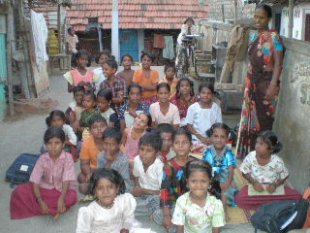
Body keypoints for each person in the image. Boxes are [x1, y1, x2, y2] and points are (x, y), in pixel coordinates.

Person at [237, 4, 284, 159]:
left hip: (266, 84)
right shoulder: (253, 36)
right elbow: (250, 63)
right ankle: (252, 156)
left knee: (264, 122)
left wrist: (272, 85)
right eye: (256, 17)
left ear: (269, 18)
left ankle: (264, 157)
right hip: (252, 84)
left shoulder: (274, 37)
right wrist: (246, 82)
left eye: (261, 17)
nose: (258, 20)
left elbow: (278, 64)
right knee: (249, 121)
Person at [10, 127, 77, 219]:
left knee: (72, 198)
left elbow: (66, 180)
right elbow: (35, 180)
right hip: (46, 188)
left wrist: (61, 198)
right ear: (45, 145)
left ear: (63, 144)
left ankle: (52, 208)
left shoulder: (68, 158)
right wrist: (40, 200)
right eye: (49, 143)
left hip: (63, 190)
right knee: (19, 191)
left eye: (57, 143)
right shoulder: (42, 159)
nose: (53, 146)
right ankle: (54, 209)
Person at [235, 131, 302, 210]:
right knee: (240, 198)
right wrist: (254, 182)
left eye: (261, 144)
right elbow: (244, 172)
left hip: (273, 189)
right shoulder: (251, 156)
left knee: (297, 196)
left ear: (271, 149)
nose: (257, 146)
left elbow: (285, 175)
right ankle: (272, 205)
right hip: (256, 187)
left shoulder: (277, 161)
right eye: (257, 142)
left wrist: (275, 185)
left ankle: (266, 204)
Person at [152, 128, 192, 232]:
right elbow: (165, 191)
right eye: (177, 143)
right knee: (160, 214)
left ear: (191, 145)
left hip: (194, 203)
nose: (180, 145)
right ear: (172, 147)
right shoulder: (168, 166)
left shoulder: (196, 164)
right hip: (175, 204)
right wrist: (166, 215)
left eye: (184, 142)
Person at [76, 168, 139, 233]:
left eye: (110, 187)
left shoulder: (122, 202)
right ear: (95, 191)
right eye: (100, 188)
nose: (105, 192)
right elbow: (83, 230)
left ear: (117, 188)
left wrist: (126, 228)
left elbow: (128, 217)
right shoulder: (89, 211)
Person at [172, 160, 225, 233]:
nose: (198, 185)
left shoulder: (216, 204)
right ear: (187, 182)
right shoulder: (181, 201)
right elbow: (180, 229)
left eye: (203, 181)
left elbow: (216, 230)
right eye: (193, 181)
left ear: (210, 182)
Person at [203, 123, 238, 207]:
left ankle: (223, 209)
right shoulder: (207, 150)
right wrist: (209, 182)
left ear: (227, 138)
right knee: (202, 191)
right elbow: (205, 168)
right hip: (211, 177)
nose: (219, 139)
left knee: (229, 193)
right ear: (211, 137)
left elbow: (231, 169)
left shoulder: (228, 151)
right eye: (216, 136)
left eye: (222, 137)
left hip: (225, 177)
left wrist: (228, 182)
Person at [132, 132, 164, 218]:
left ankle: (155, 213)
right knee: (125, 199)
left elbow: (163, 192)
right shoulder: (137, 160)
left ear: (157, 153)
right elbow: (136, 176)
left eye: (149, 150)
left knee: (137, 207)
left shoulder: (160, 167)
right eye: (142, 149)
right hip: (141, 194)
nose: (144, 153)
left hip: (155, 196)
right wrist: (137, 188)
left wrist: (143, 191)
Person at [78, 114, 107, 194]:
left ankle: (100, 190)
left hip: (111, 170)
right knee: (81, 177)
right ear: (90, 131)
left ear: (107, 127)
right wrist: (88, 174)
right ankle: (100, 189)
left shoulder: (112, 139)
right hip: (95, 171)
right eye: (94, 127)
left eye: (102, 126)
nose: (99, 129)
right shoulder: (87, 143)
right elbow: (84, 164)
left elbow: (122, 159)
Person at [97, 128, 132, 192]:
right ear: (102, 142)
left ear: (119, 145)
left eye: (112, 144)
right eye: (106, 143)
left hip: (121, 184)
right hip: (105, 183)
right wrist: (108, 163)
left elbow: (123, 181)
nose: (108, 147)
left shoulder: (123, 160)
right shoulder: (101, 156)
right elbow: (100, 176)